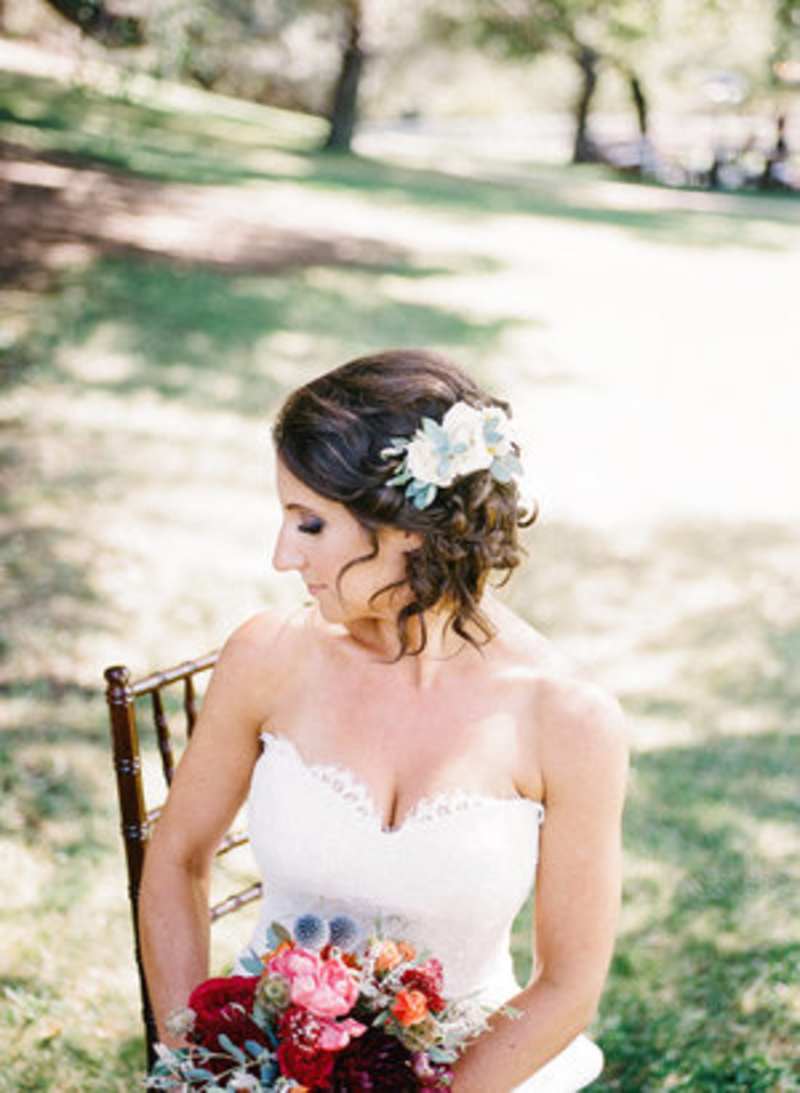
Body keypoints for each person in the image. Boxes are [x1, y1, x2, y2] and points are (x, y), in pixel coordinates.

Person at [139, 349, 628, 1091]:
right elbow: (176, 861)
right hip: (268, 1063)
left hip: (477, 1070)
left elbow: (567, 985)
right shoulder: (268, 657)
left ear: (409, 529)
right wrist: (202, 1063)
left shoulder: (568, 719)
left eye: (310, 525)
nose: (282, 556)